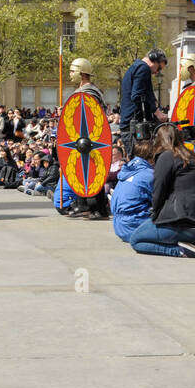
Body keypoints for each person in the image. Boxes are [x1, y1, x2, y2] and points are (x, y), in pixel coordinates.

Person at [128, 123, 195, 258]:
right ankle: (193, 243)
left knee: (136, 240)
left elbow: (158, 190)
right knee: (145, 230)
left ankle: (181, 251)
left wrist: (155, 215)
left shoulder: (166, 156)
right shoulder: (193, 157)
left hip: (185, 222)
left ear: (157, 139)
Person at [66, 57, 111, 220]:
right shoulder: (83, 91)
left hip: (91, 139)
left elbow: (91, 117)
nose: (70, 74)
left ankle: (98, 208)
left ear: (81, 73)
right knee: (80, 171)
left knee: (93, 173)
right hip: (81, 139)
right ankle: (84, 205)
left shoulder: (89, 92)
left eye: (72, 71)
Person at [118, 48, 169, 156]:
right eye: (159, 68)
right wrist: (156, 112)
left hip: (130, 124)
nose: (157, 72)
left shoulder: (136, 67)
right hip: (135, 127)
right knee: (140, 163)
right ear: (154, 59)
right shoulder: (143, 68)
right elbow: (137, 95)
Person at [110, 139, 156, 242]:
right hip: (135, 225)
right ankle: (178, 251)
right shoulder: (149, 174)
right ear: (153, 157)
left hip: (119, 226)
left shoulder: (127, 170)